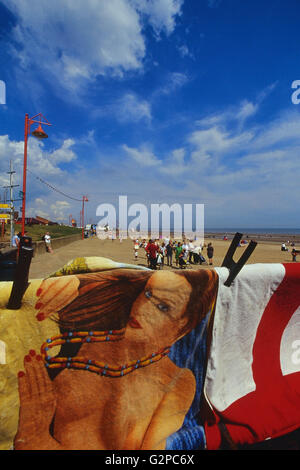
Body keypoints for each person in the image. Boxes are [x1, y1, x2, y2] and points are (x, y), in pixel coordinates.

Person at [15, 268, 218, 450]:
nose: (142, 308)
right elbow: (91, 263)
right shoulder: (96, 328)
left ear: (183, 327)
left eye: (163, 307)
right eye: (147, 294)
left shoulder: (177, 382)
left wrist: (36, 437)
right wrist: (72, 281)